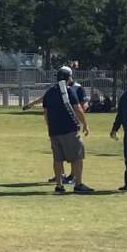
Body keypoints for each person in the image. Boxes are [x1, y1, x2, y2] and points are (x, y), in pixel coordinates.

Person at [42, 66, 93, 194]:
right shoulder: (69, 91)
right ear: (68, 78)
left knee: (57, 159)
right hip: (69, 130)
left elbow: (46, 113)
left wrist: (50, 127)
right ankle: (78, 184)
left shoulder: (49, 92)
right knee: (77, 156)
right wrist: (85, 124)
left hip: (54, 132)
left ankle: (59, 185)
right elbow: (78, 109)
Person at [110, 88, 127, 192]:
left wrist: (114, 129)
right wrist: (114, 129)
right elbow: (120, 115)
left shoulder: (126, 96)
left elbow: (120, 115)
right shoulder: (126, 96)